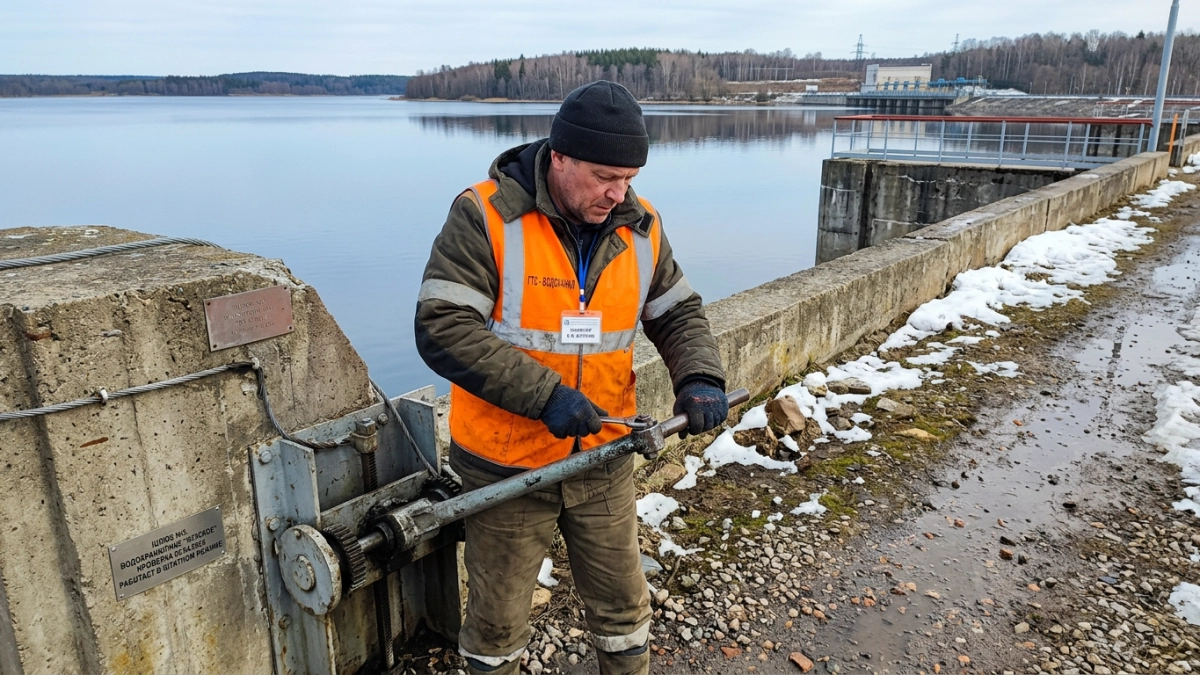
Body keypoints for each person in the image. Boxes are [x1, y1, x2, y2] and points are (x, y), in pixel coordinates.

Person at [414, 80, 728, 675]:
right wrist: (545, 396)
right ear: (559, 157)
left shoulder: (641, 226)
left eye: (630, 178)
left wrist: (700, 376)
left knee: (623, 611)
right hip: (506, 467)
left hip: (604, 458)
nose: (619, 193)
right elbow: (442, 326)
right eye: (605, 177)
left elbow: (677, 311)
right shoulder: (484, 215)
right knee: (497, 624)